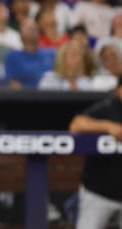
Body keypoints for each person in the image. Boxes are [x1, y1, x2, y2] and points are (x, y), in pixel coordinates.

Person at [69, 76, 122, 228]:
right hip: (99, 191)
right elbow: (76, 124)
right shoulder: (108, 106)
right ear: (118, 89)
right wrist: (108, 126)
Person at [3, 18, 55, 89]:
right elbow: (10, 82)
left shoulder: (52, 54)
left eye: (34, 28)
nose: (31, 30)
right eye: (28, 28)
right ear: (20, 34)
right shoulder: (12, 57)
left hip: (51, 95)